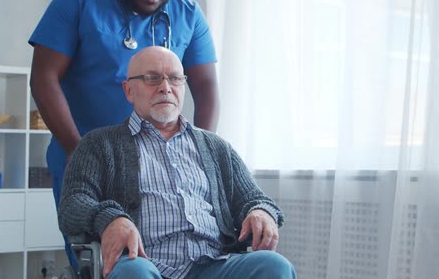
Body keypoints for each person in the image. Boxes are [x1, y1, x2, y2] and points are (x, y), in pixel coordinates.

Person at [28, 0, 219, 267]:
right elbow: (44, 78)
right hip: (86, 153)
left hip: (161, 163)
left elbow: (206, 87)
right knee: (103, 259)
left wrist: (198, 152)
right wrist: (78, 151)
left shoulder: (188, 14)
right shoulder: (79, 0)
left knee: (170, 255)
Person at [58, 46, 296, 279]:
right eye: (152, 79)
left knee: (274, 265)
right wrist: (110, 218)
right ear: (129, 90)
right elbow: (73, 203)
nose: (165, 88)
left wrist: (260, 212)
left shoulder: (216, 147)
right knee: (133, 272)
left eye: (174, 78)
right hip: (144, 264)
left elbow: (255, 198)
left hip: (214, 265)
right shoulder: (99, 144)